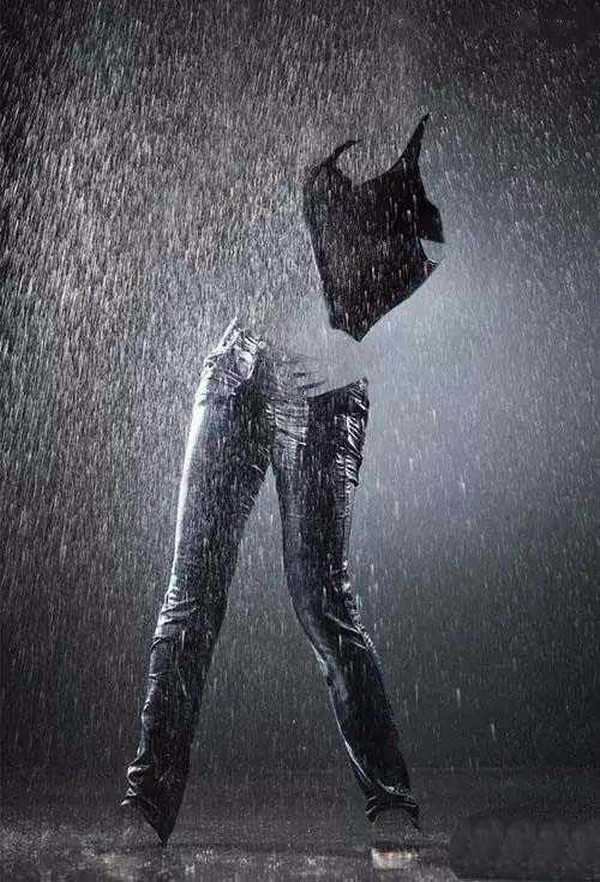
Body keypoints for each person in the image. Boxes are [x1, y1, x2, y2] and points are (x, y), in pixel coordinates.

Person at [121, 120, 443, 845]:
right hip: (234, 369)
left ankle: (391, 799)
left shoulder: (379, 117)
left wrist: (360, 351)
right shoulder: (248, 123)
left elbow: (431, 247)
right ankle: (144, 804)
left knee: (320, 598)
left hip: (322, 385)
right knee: (189, 594)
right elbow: (208, 241)